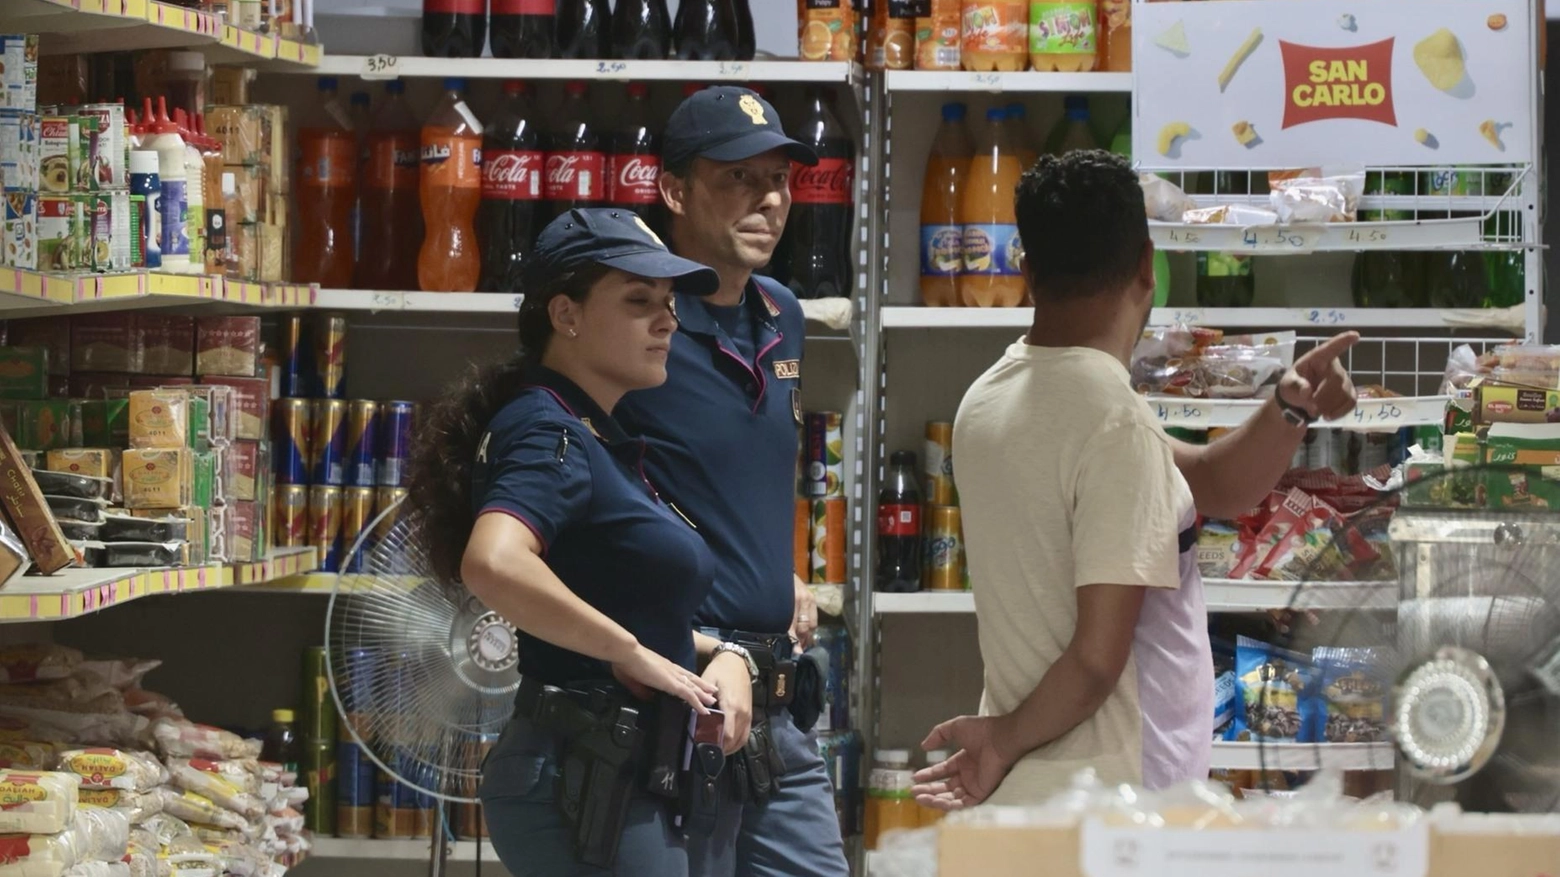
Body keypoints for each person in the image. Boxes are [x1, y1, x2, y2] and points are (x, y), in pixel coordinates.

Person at [911, 151, 1360, 810]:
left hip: (1038, 788)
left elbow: (1212, 483)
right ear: (1149, 267)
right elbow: (1096, 659)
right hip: (1113, 797)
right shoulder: (1109, 419)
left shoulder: (987, 399)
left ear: (1027, 270)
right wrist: (1001, 739)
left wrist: (1289, 406)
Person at [407, 207, 727, 875]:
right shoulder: (548, 432)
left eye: (669, 303)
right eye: (640, 300)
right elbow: (493, 562)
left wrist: (718, 652)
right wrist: (628, 651)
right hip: (584, 772)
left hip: (614, 766)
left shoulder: (587, 430)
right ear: (566, 314)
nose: (667, 320)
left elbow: (603, 588)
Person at [614, 86, 850, 877]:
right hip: (683, 694)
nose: (769, 200)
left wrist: (773, 570)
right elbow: (597, 491)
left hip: (777, 696)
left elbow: (725, 475)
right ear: (674, 191)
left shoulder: (783, 310)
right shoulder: (635, 316)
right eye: (738, 180)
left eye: (778, 179)